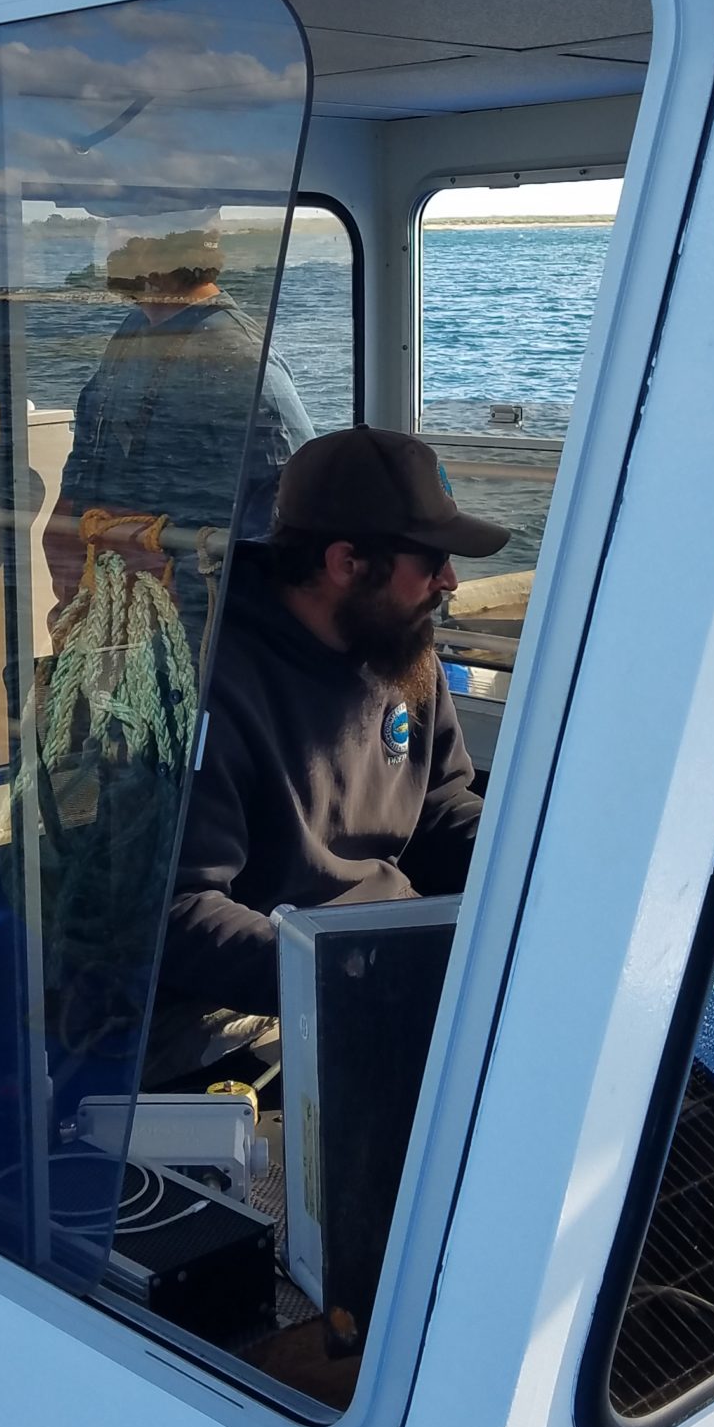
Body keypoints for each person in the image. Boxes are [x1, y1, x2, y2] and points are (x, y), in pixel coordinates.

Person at [150, 425, 511, 1079]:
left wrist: (529, 879)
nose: (451, 581)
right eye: (433, 561)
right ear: (346, 563)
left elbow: (438, 804)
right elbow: (179, 909)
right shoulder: (203, 684)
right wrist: (347, 971)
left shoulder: (403, 646)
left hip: (389, 953)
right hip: (261, 1006)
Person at [44, 219, 313, 611]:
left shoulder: (237, 358)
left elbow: (290, 510)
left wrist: (185, 586)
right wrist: (66, 540)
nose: (105, 242)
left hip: (192, 609)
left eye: (120, 232)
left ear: (159, 250)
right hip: (117, 595)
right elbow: (92, 441)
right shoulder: (133, 331)